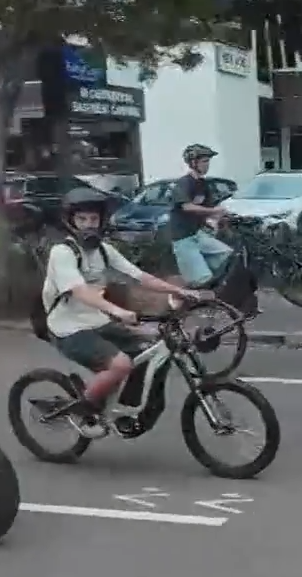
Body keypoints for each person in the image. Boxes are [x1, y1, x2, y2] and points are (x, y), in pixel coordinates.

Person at [39, 187, 186, 435]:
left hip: (97, 321)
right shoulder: (62, 253)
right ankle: (86, 415)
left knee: (148, 350)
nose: (88, 225)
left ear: (101, 222)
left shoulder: (104, 251)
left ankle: (127, 408)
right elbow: (80, 291)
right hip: (68, 327)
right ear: (70, 221)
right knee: (119, 365)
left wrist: (179, 291)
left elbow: (140, 276)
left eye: (93, 219)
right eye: (82, 219)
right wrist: (117, 311)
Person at [168, 144, 233, 291]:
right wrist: (213, 211)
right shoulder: (183, 183)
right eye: (204, 161)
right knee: (201, 281)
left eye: (208, 161)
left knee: (228, 258)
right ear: (193, 163)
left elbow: (207, 210)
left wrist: (219, 219)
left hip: (198, 235)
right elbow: (187, 207)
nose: (207, 165)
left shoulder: (203, 184)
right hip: (183, 239)